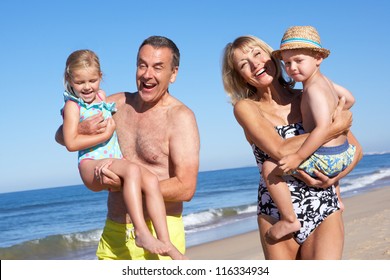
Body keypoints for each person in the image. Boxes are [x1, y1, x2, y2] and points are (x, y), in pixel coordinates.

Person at [56, 36, 200, 260]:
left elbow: (186, 188)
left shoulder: (181, 118)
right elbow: (61, 136)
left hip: (161, 235)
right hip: (114, 233)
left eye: (157, 67)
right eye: (142, 65)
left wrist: (126, 185)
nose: (147, 74)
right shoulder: (117, 104)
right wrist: (82, 128)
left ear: (173, 74)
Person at [221, 35, 362, 259]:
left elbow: (355, 148)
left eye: (257, 54)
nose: (255, 63)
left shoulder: (309, 95)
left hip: (323, 202)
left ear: (272, 56)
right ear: (241, 77)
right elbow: (280, 150)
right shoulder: (246, 108)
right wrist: (331, 129)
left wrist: (335, 179)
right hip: (276, 211)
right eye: (243, 64)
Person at [259, 26, 357, 241]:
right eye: (287, 63)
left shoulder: (312, 90)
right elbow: (350, 99)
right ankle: (337, 199)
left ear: (318, 58)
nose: (292, 68)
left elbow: (322, 129)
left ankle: (288, 219)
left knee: (269, 168)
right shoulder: (327, 82)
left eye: (298, 61)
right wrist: (338, 112)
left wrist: (297, 156)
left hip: (327, 158)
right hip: (344, 153)